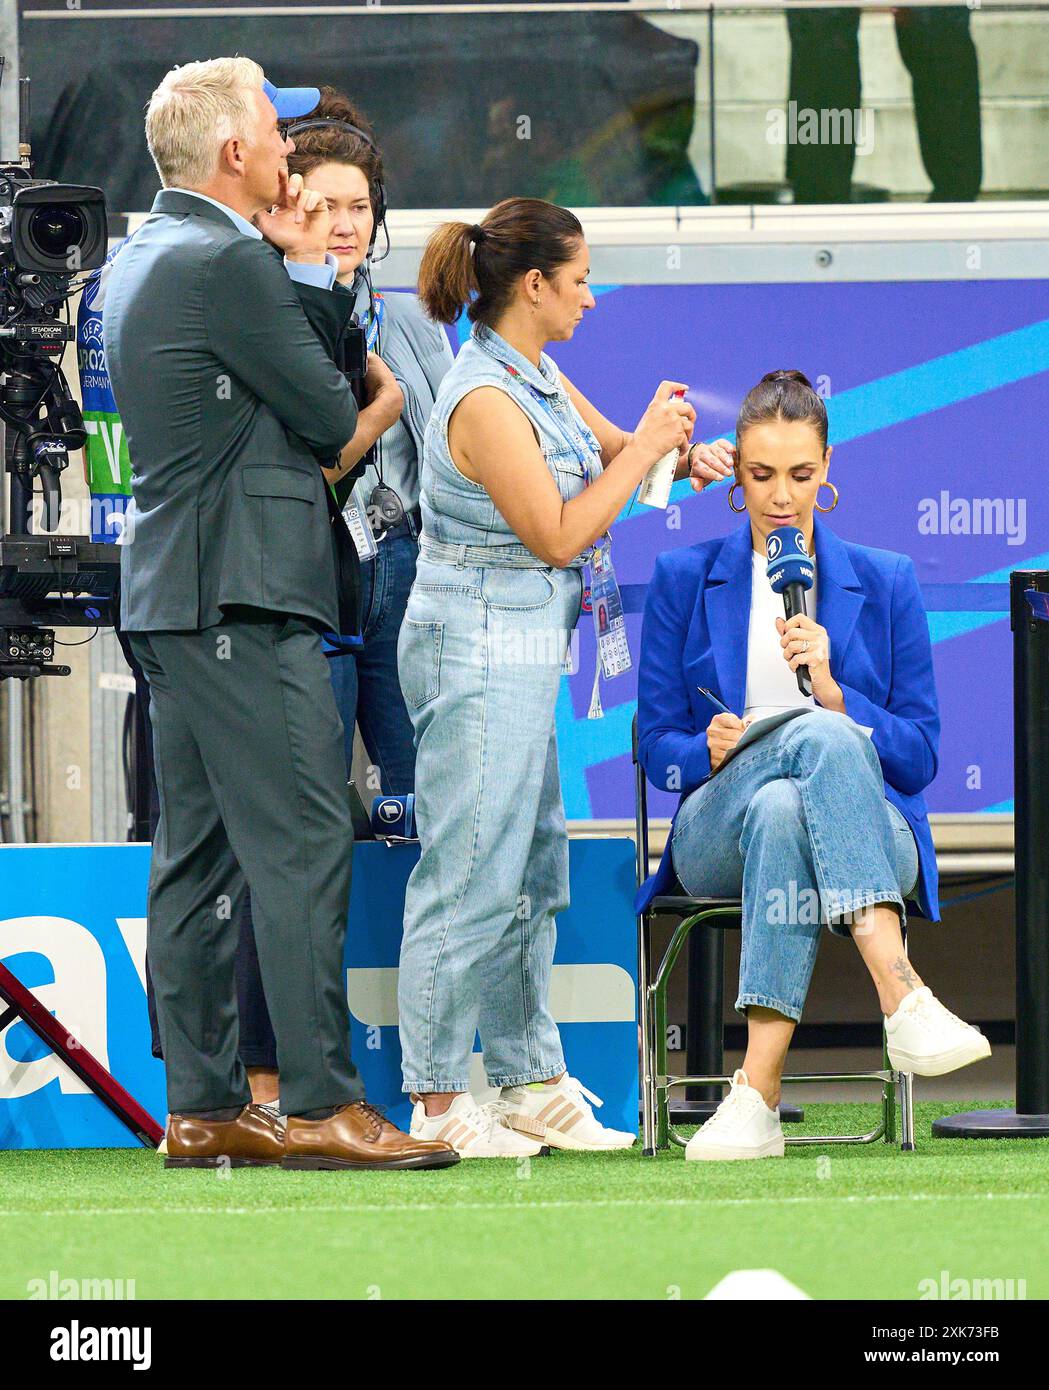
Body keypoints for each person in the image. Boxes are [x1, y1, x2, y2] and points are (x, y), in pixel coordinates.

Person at [103, 56, 456, 1172]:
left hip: (179, 593)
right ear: (233, 155)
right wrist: (309, 268)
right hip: (243, 594)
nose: (293, 151)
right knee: (305, 835)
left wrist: (306, 282)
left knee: (196, 852)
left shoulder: (146, 253)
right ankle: (316, 1103)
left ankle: (205, 1107)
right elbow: (324, 414)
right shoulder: (229, 263)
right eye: (275, 128)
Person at [397, 196, 728, 1158]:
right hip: (474, 643)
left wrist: (677, 453)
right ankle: (431, 1101)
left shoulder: (535, 371)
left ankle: (527, 1082)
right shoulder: (484, 398)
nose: (589, 296)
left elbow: (617, 461)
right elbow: (560, 531)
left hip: (524, 645)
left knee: (529, 864)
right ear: (533, 285)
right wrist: (646, 452)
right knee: (467, 869)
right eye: (578, 280)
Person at [636, 369, 991, 1162]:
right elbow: (654, 748)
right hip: (714, 829)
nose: (780, 496)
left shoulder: (885, 579)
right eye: (761, 475)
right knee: (790, 772)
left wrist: (836, 694)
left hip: (868, 827)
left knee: (791, 799)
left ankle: (754, 1096)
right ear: (735, 474)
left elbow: (919, 758)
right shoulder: (684, 578)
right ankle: (900, 993)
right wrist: (706, 749)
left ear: (827, 467)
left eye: (800, 475)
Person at [229, 86, 455, 1105]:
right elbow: (305, 465)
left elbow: (463, 450)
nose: (344, 223)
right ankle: (276, 1082)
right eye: (322, 204)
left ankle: (444, 1078)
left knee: (426, 817)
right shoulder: (264, 312)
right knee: (299, 831)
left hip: (400, 584)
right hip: (301, 585)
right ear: (284, 210)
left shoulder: (405, 325)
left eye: (359, 205)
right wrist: (374, 420)